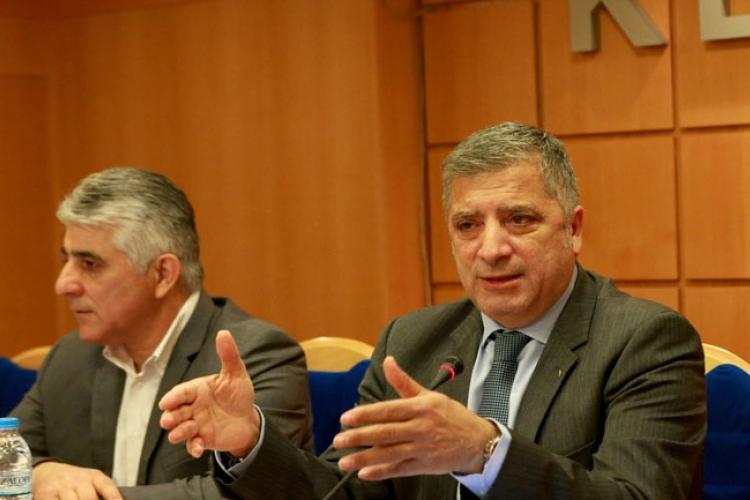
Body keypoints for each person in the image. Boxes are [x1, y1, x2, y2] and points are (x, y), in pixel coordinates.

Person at [160, 123, 706, 499]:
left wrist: (484, 452)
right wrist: (250, 441)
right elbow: (342, 494)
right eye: (468, 225)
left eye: (519, 219)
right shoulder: (413, 340)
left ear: (574, 228)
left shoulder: (644, 340)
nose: (490, 249)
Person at [11, 167, 313, 500]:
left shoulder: (253, 356)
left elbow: (249, 493)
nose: (64, 284)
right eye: (66, 260)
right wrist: (40, 473)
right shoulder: (71, 357)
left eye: (90, 264)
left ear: (162, 274)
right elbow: (4, 450)